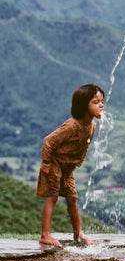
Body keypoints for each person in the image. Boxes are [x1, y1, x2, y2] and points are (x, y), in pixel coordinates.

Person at [37, 84, 105, 248]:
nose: (101, 105)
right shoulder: (72, 126)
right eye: (96, 102)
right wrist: (46, 163)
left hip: (68, 168)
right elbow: (49, 141)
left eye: (102, 101)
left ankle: (78, 233)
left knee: (72, 199)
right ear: (83, 106)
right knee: (52, 196)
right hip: (54, 162)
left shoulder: (92, 126)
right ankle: (45, 235)